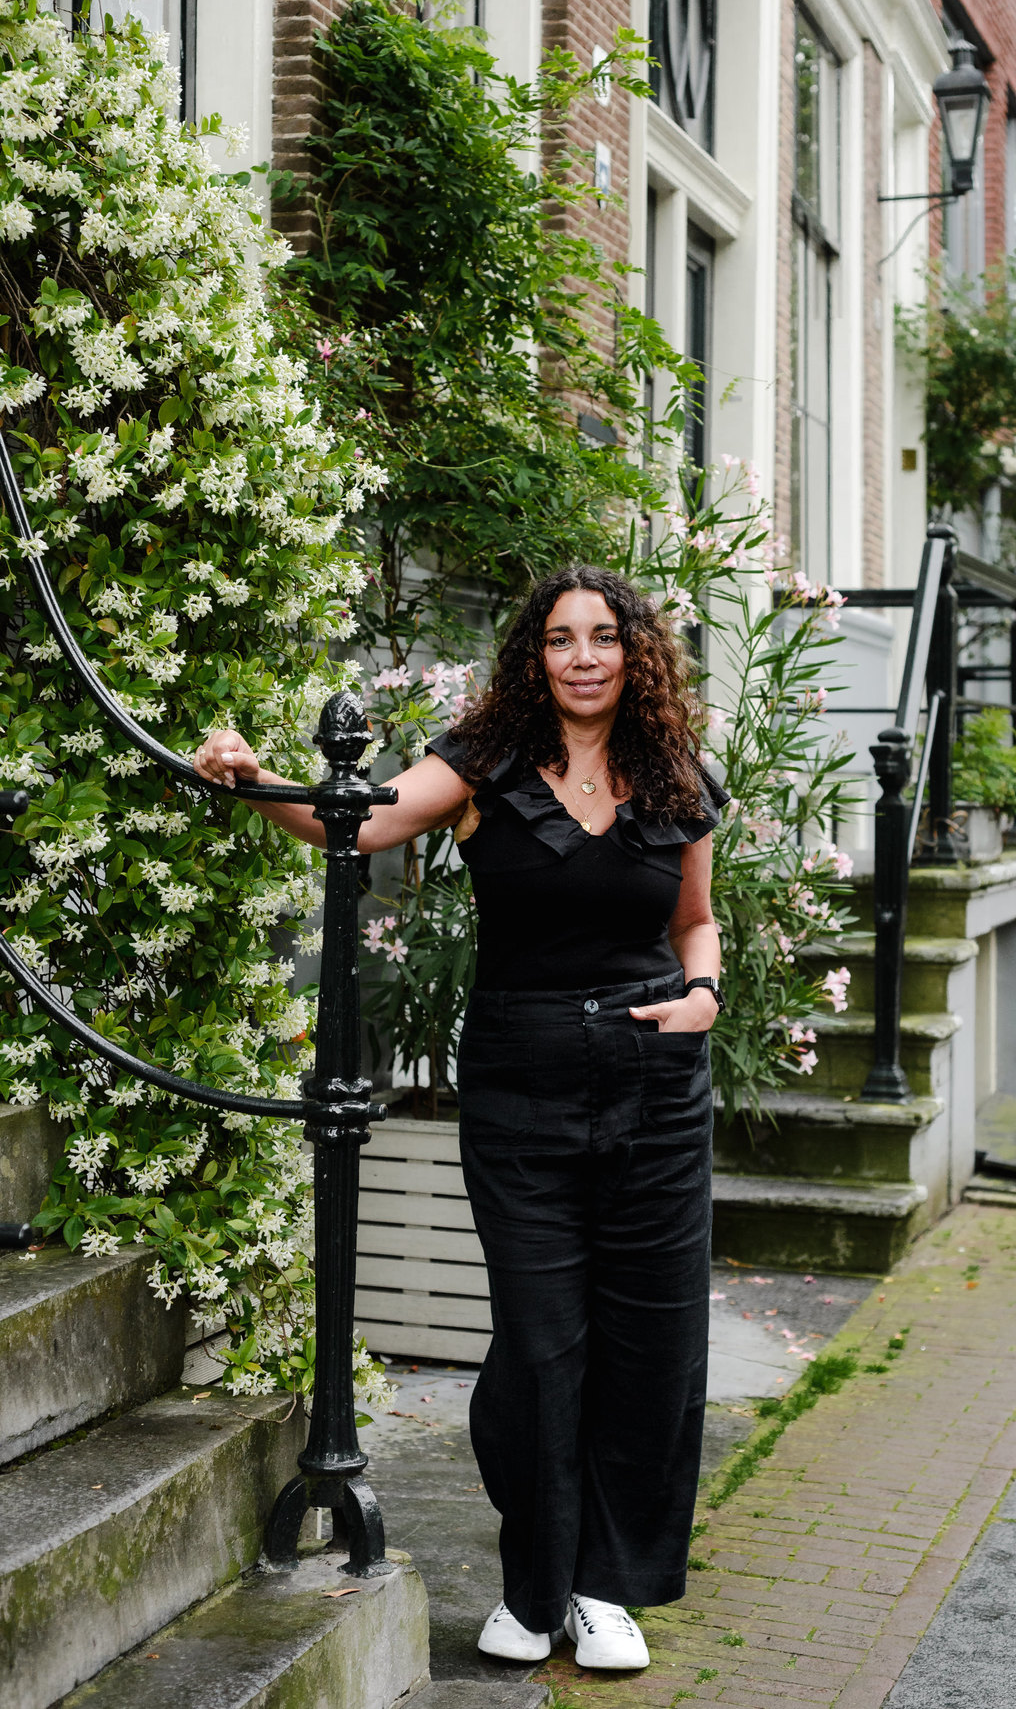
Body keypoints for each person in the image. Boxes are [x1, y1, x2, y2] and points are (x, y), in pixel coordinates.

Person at [194, 564, 727, 1671]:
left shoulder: (675, 775)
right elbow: (352, 823)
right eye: (561, 638)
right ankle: (534, 1585)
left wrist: (706, 998)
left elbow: (697, 921)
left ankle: (604, 1589)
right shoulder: (479, 761)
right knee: (540, 1345)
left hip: (656, 1085)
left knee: (650, 1342)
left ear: (636, 654)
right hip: (521, 1082)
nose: (583, 656)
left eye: (604, 636)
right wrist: (249, 780)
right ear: (535, 657)